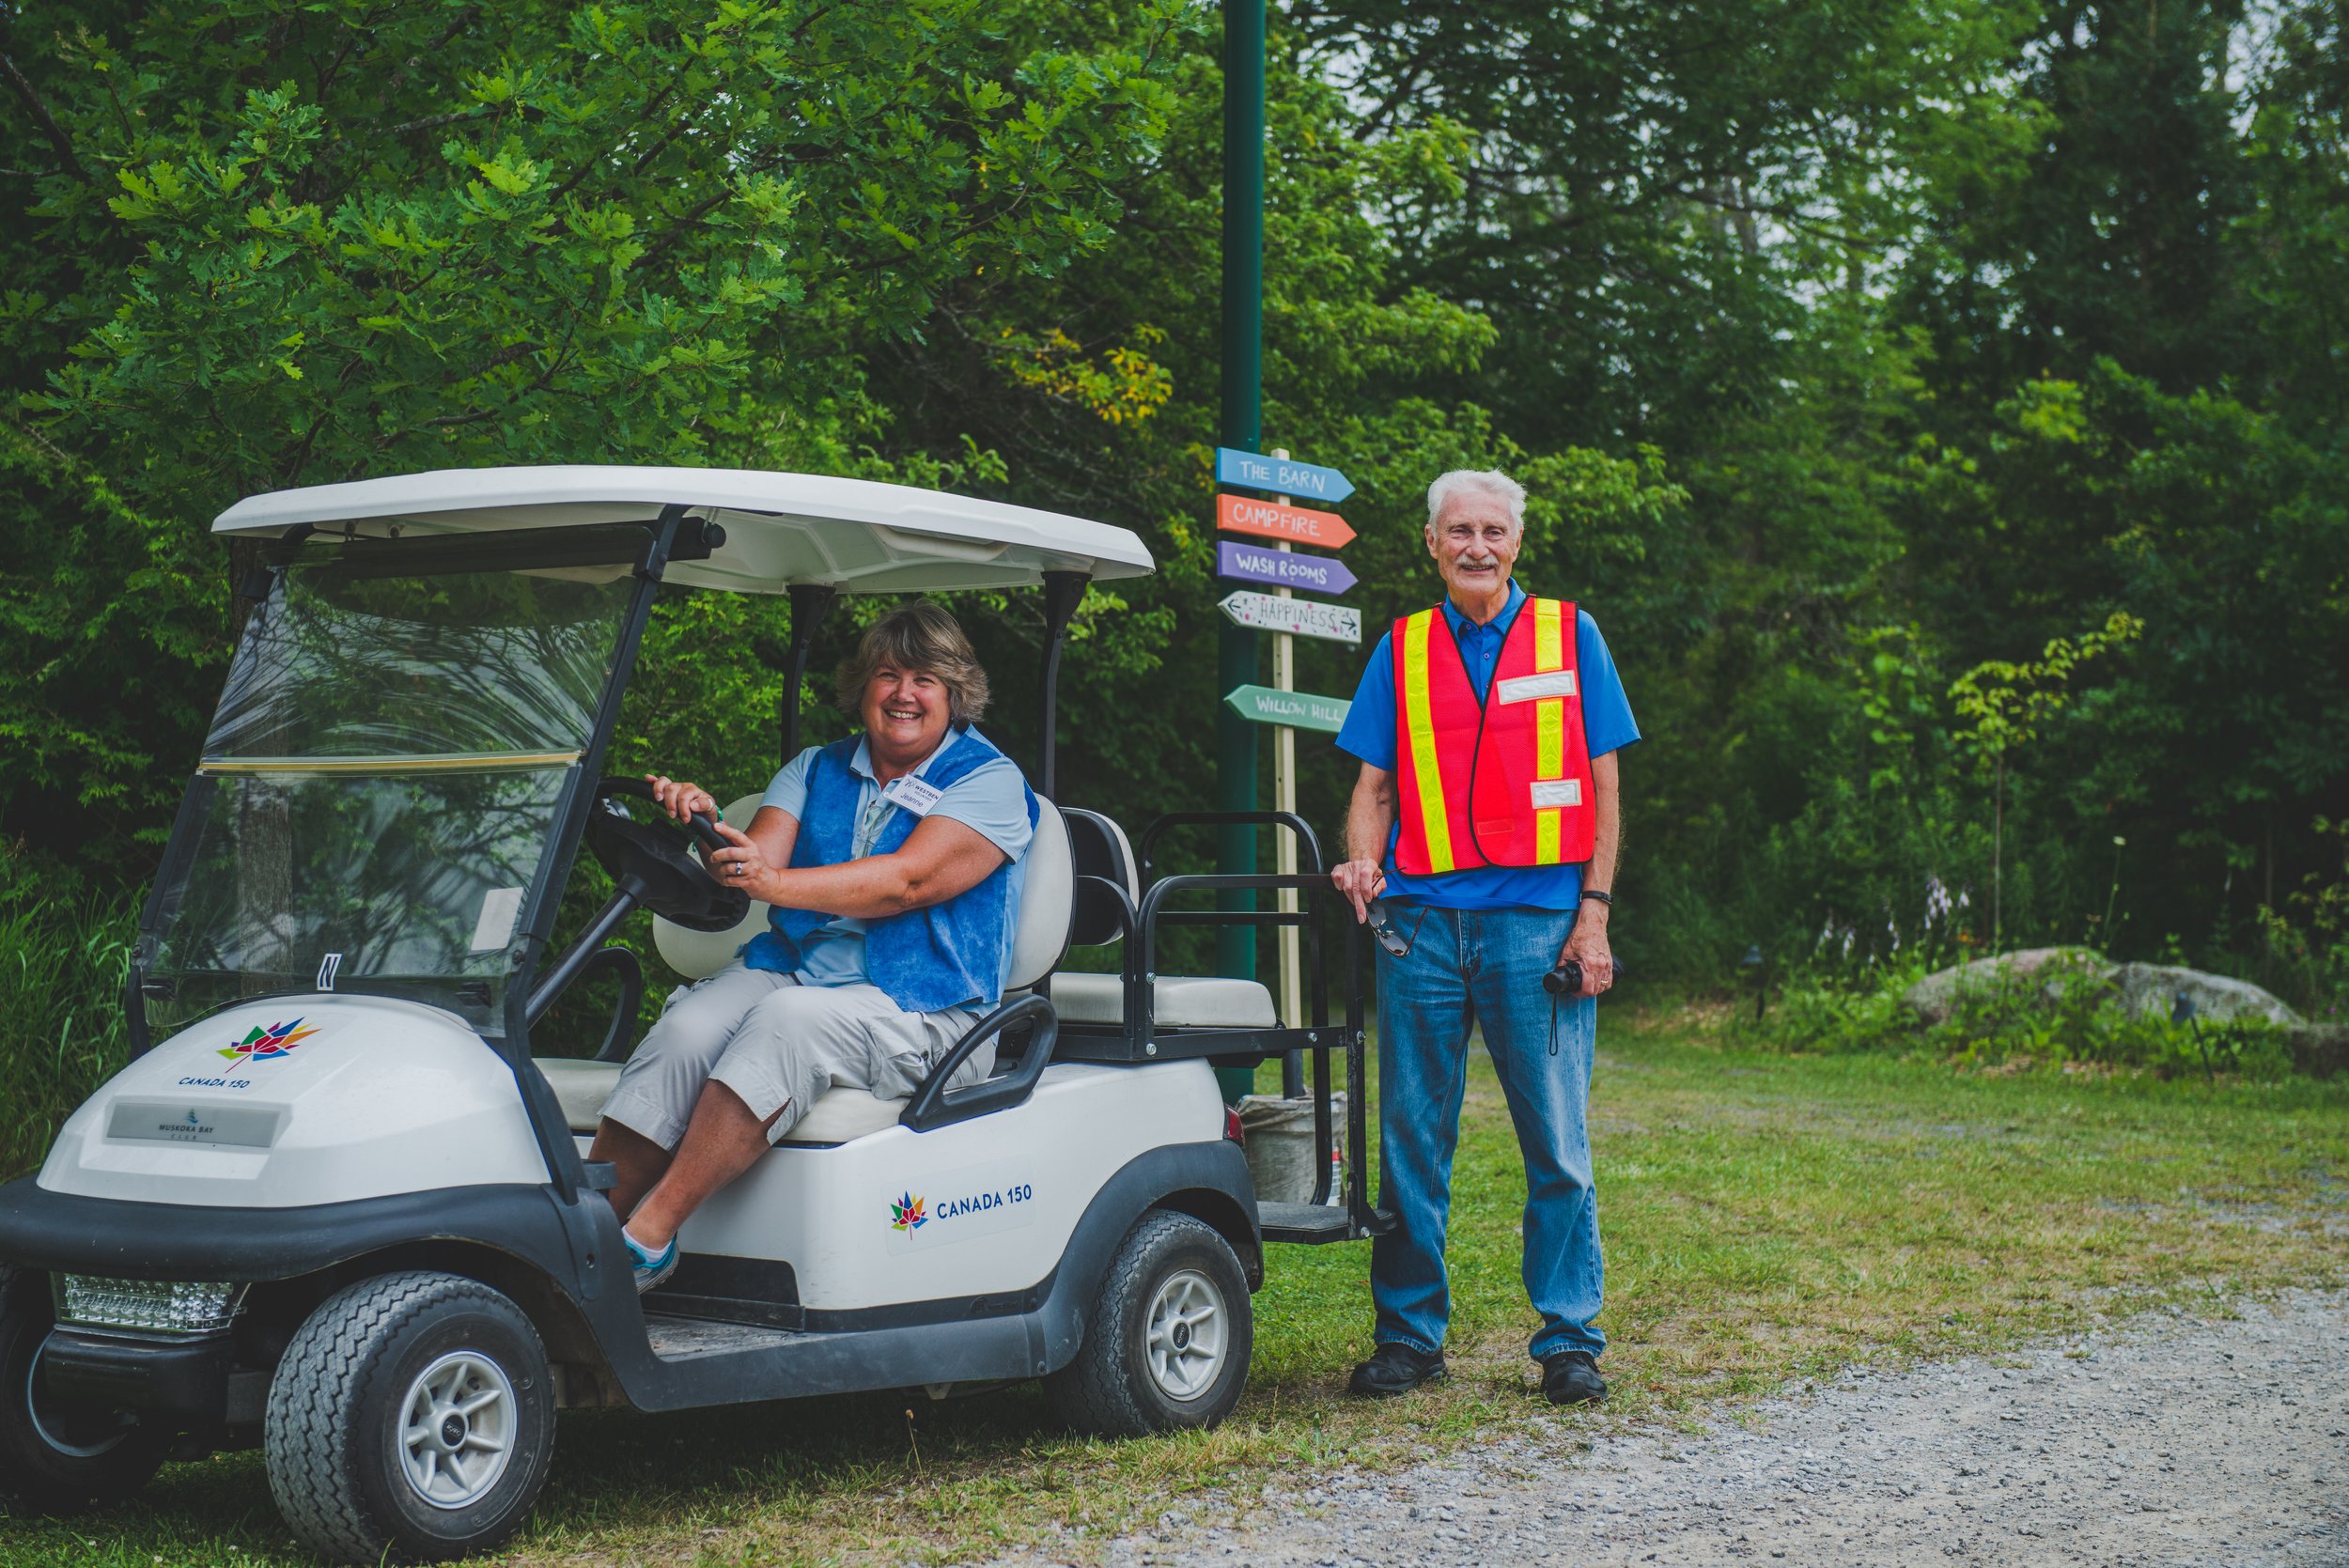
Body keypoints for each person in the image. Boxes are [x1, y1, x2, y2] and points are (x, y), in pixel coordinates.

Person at [589, 602, 1035, 1292]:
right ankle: (587, 1236)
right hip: (801, 973)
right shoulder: (815, 768)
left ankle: (647, 1240)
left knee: (786, 1022)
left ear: (956, 693)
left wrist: (775, 880)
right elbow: (756, 863)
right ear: (862, 688)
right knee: (687, 1026)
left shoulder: (988, 779)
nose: (904, 694)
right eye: (888, 674)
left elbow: (906, 881)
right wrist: (709, 828)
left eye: (925, 678)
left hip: (930, 1008)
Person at [1328, 469, 1638, 1406]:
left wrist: (1594, 909)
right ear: (1431, 543)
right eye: (1458, 529)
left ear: (1515, 543)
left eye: (1492, 531)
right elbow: (1373, 790)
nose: (1476, 545)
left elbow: (1604, 784)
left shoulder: (1569, 634)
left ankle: (1568, 1337)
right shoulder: (1403, 646)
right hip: (1419, 923)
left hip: (1536, 922)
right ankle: (1409, 1336)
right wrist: (1359, 864)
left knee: (1557, 1138)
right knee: (1410, 1138)